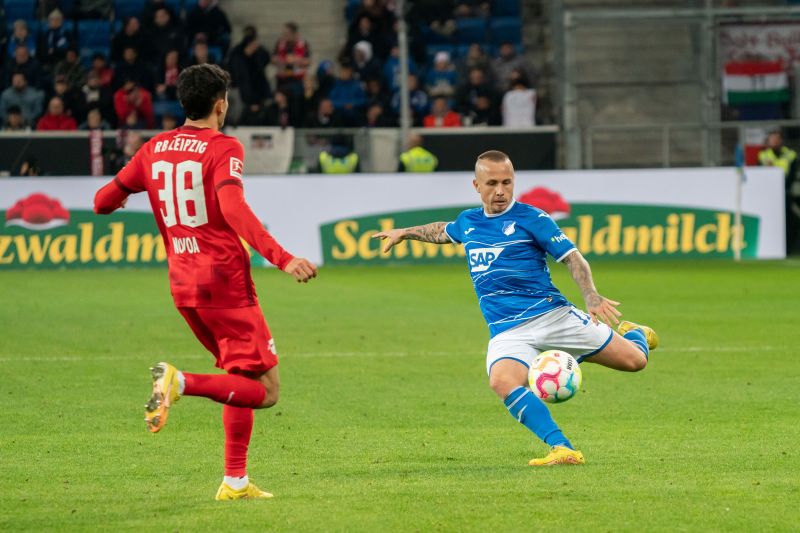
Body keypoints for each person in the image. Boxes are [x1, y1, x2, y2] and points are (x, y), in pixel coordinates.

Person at [93, 63, 317, 500]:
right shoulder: (223, 146)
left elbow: (102, 202)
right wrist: (282, 257)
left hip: (183, 284)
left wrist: (119, 199)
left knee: (239, 373)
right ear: (221, 104)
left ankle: (234, 481)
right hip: (224, 282)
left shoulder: (154, 148)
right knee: (267, 391)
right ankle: (180, 383)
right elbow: (233, 209)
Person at [373, 150, 658, 466]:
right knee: (502, 381)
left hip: (553, 316)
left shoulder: (532, 219)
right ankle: (562, 448)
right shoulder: (469, 222)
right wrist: (404, 233)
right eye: (492, 183)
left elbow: (572, 258)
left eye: (507, 182)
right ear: (476, 185)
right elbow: (442, 231)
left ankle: (636, 333)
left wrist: (590, 295)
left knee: (635, 362)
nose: (500, 191)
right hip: (508, 330)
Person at [758, 130, 800, 254]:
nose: (775, 141)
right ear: (768, 141)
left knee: (789, 221)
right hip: (769, 196)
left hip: (786, 193)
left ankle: (790, 248)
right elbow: (759, 175)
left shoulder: (790, 155)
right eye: (772, 139)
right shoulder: (763, 156)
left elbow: (792, 174)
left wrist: (783, 187)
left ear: (781, 140)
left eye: (777, 139)